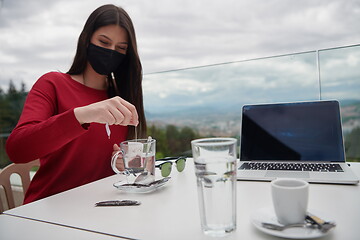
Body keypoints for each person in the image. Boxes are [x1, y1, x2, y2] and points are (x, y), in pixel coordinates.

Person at [5, 4, 147, 204]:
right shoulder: (52, 84)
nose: (111, 52)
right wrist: (82, 115)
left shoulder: (122, 97)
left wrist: (121, 163)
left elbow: (110, 160)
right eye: (103, 42)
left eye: (120, 48)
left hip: (103, 208)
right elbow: (18, 149)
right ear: (86, 39)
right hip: (49, 209)